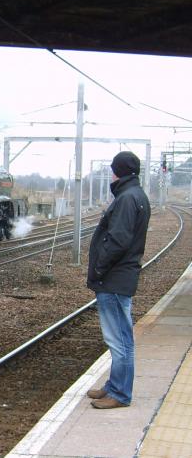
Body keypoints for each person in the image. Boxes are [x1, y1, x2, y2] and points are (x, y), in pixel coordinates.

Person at [86, 151, 151, 409]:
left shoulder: (126, 199)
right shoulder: (135, 195)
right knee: (120, 338)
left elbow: (118, 240)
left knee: (120, 340)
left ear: (119, 171)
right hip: (119, 277)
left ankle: (121, 393)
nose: (110, 173)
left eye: (113, 169)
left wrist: (99, 269)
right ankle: (114, 386)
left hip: (114, 279)